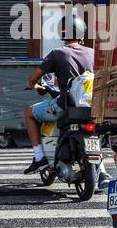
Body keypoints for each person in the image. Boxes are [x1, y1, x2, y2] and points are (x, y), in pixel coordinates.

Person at [23, 14, 93, 175]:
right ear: (82, 33)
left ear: (63, 32)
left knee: (29, 113)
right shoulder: (93, 53)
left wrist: (35, 87)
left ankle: (39, 157)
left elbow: (32, 80)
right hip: (89, 107)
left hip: (65, 104)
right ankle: (100, 171)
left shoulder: (57, 53)